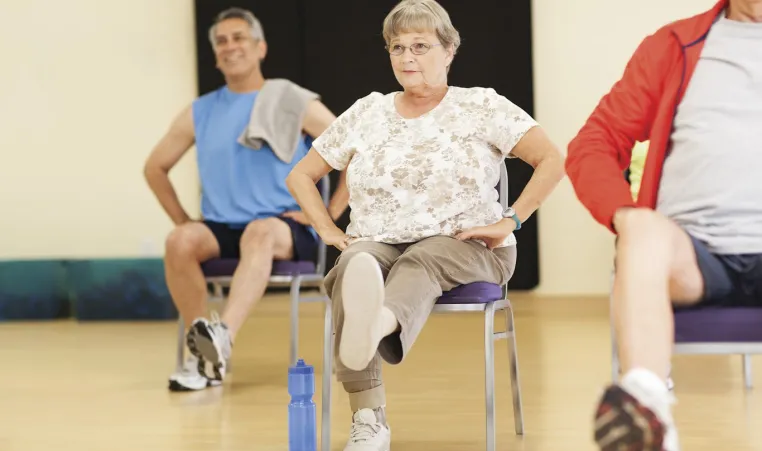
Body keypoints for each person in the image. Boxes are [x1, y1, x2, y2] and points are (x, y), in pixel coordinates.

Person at [286, 0, 565, 448]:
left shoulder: (480, 105)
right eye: (397, 47)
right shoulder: (367, 112)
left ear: (449, 50)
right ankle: (368, 419)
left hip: (468, 244)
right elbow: (301, 175)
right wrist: (328, 231)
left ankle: (376, 323)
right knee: (355, 263)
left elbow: (551, 159)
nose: (407, 57)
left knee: (423, 257)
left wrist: (510, 219)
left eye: (420, 46)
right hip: (380, 240)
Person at [565, 0, 762, 449]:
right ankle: (645, 411)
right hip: (694, 256)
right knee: (642, 229)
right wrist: (624, 213)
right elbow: (595, 142)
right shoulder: (674, 45)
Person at [143, 7, 349, 392]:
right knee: (179, 241)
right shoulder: (200, 111)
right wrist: (184, 220)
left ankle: (220, 341)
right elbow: (155, 168)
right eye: (221, 41)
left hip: (283, 226)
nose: (229, 46)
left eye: (238, 38)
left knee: (260, 230)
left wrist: (329, 214)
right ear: (215, 53)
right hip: (223, 226)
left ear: (260, 47)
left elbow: (353, 149)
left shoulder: (293, 101)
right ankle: (205, 353)